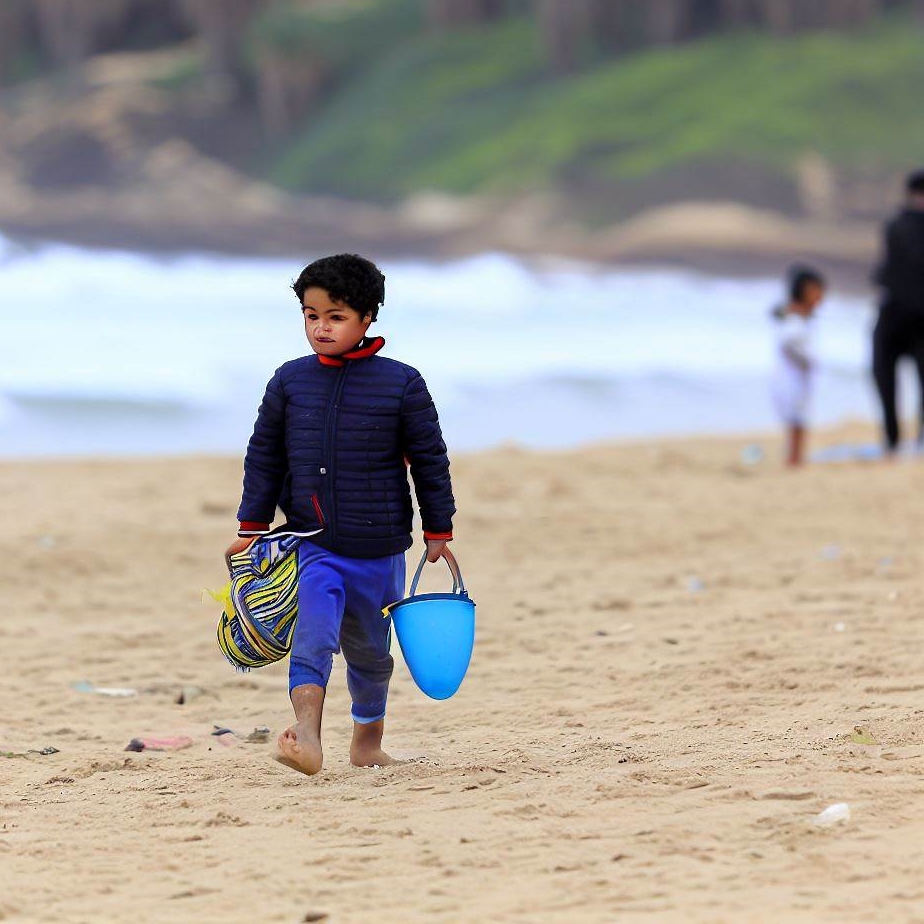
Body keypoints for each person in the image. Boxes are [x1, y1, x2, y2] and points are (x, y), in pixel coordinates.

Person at [225, 254, 456, 775]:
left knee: (372, 656)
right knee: (314, 634)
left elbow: (429, 459)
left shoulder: (401, 383)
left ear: (367, 317)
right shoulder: (290, 381)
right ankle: (306, 734)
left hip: (380, 548)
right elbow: (264, 456)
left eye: (335, 316)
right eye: (311, 315)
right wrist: (252, 527)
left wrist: (437, 529)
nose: (320, 328)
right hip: (315, 542)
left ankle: (367, 745)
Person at [872, 170, 924, 454]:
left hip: (893, 312)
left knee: (884, 376)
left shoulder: (895, 225)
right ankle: (908, 440)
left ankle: (892, 440)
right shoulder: (899, 226)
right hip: (913, 317)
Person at [771, 265, 827, 467]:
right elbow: (788, 342)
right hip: (791, 379)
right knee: (797, 420)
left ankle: (796, 457)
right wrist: (804, 360)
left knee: (800, 420)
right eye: (816, 291)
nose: (820, 297)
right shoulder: (792, 318)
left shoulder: (802, 317)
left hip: (797, 379)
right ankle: (794, 458)